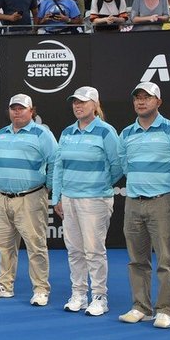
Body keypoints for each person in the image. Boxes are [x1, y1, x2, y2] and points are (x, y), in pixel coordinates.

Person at [116, 83, 170, 329]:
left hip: (162, 202)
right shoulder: (126, 133)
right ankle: (141, 307)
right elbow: (124, 166)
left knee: (165, 260)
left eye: (147, 98)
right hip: (133, 203)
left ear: (158, 102)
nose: (141, 102)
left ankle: (166, 309)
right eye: (137, 97)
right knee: (136, 260)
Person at [51, 87, 122, 317]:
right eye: (74, 102)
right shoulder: (67, 132)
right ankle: (79, 294)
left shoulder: (106, 132)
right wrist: (57, 197)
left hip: (95, 200)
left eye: (82, 102)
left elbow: (118, 165)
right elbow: (59, 166)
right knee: (74, 250)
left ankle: (99, 297)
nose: (77, 105)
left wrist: (99, 185)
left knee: (94, 250)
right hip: (69, 199)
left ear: (95, 104)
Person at [0, 94, 57, 305]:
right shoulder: (1, 135)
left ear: (31, 111)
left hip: (31, 197)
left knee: (36, 245)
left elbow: (55, 161)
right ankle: (5, 286)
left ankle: (41, 289)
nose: (17, 111)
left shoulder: (42, 133)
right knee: (5, 246)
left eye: (21, 108)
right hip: (3, 197)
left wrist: (47, 189)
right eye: (13, 108)